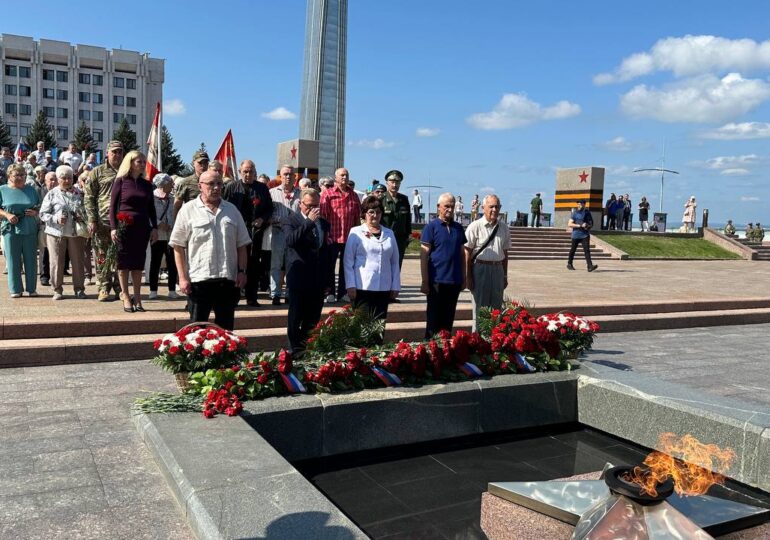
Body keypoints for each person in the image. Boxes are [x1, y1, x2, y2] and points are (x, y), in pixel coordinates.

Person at [170, 170, 250, 331]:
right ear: (200, 186)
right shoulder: (188, 210)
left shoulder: (232, 211)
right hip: (199, 280)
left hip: (227, 280)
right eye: (210, 184)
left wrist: (242, 271)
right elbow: (178, 246)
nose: (216, 187)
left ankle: (226, 357)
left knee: (226, 330)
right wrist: (183, 277)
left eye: (219, 183)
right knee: (196, 330)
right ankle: (197, 357)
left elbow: (242, 245)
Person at [109, 150, 158, 313]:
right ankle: (125, 295)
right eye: (139, 161)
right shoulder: (121, 181)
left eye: (144, 162)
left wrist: (155, 228)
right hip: (124, 227)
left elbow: (151, 208)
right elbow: (112, 207)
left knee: (138, 264)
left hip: (142, 227)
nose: (143, 164)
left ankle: (138, 298)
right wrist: (114, 228)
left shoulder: (147, 184)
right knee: (123, 263)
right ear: (130, 163)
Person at [282, 188, 330, 353]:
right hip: (299, 276)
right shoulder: (291, 220)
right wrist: (308, 222)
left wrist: (328, 280)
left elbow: (325, 253)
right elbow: (290, 241)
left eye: (316, 205)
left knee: (313, 316)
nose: (313, 209)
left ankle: (307, 346)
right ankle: (295, 348)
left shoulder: (323, 223)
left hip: (317, 278)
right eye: (309, 205)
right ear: (300, 203)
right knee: (296, 316)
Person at [344, 196, 400, 331]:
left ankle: (376, 350)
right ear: (364, 213)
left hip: (383, 287)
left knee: (378, 326)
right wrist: (350, 285)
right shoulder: (356, 232)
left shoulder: (389, 233)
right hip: (362, 286)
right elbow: (348, 261)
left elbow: (394, 262)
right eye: (371, 212)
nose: (375, 215)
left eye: (378, 212)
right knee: (361, 326)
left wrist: (395, 285)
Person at [223, 159, 273, 307]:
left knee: (253, 265)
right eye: (245, 171)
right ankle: (234, 297)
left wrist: (262, 219)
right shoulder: (232, 187)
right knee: (235, 263)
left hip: (255, 232)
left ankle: (252, 297)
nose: (248, 174)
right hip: (235, 231)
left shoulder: (262, 188)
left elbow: (269, 208)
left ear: (255, 172)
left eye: (251, 171)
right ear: (240, 172)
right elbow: (224, 206)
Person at [420, 193, 466, 338]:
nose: (450, 209)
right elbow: (424, 256)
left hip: (454, 281)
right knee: (433, 321)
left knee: (448, 321)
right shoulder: (431, 227)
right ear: (438, 207)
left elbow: (462, 254)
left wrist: (464, 278)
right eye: (446, 206)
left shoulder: (458, 228)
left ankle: (445, 352)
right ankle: (430, 351)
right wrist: (425, 281)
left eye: (452, 206)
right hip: (436, 282)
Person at [39, 165, 87, 300]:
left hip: (75, 233)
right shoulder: (52, 193)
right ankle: (57, 289)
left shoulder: (79, 193)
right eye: (63, 178)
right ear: (58, 179)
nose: (67, 181)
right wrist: (55, 218)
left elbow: (87, 211)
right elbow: (42, 214)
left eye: (69, 178)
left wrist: (81, 216)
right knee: (56, 262)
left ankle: (79, 289)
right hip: (55, 233)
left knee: (78, 261)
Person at [85, 140, 124, 301]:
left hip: (123, 222)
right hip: (102, 221)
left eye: (120, 151)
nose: (117, 154)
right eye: (114, 151)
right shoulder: (97, 171)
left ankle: (120, 288)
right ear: (107, 153)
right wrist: (92, 219)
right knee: (102, 255)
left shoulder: (127, 172)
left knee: (120, 256)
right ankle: (103, 287)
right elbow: (89, 197)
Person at [465, 194, 509, 330]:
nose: (494, 210)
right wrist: (468, 276)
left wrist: (505, 276)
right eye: (491, 207)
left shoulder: (504, 228)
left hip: (497, 270)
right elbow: (467, 252)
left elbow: (505, 253)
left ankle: (494, 341)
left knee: (496, 309)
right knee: (480, 309)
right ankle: (478, 343)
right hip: (480, 269)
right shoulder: (475, 226)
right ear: (483, 208)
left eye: (497, 207)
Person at [320, 167, 361, 303]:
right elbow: (323, 217)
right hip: (333, 236)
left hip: (349, 238)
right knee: (329, 266)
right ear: (335, 178)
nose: (344, 177)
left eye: (346, 175)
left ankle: (343, 292)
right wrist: (326, 235)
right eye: (342, 175)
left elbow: (357, 218)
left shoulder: (354, 195)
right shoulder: (328, 194)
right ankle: (330, 292)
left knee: (347, 267)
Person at [0, 163, 40, 297]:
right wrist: (7, 215)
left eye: (23, 175)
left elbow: (39, 206)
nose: (21, 177)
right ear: (9, 176)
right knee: (13, 259)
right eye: (17, 175)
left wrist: (35, 212)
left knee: (31, 259)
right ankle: (15, 289)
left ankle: (31, 288)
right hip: (10, 229)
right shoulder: (2, 189)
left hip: (29, 227)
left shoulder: (31, 189)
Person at [268, 165, 301, 305]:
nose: (288, 176)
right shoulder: (272, 193)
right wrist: (281, 220)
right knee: (276, 263)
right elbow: (268, 213)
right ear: (280, 177)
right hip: (278, 231)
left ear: (295, 177)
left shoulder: (301, 193)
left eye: (291, 174)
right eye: (285, 174)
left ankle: (289, 293)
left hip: (295, 233)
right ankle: (275, 293)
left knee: (292, 264)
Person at [148, 173, 178, 300]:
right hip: (157, 234)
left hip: (171, 235)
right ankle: (153, 290)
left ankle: (172, 290)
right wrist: (159, 224)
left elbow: (175, 213)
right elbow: (148, 214)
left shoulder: (172, 198)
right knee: (155, 262)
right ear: (163, 184)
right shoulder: (151, 197)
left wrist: (172, 224)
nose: (172, 185)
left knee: (172, 262)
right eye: (170, 183)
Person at [379, 169, 412, 270]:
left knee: (397, 267)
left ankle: (395, 286)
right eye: (392, 182)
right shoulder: (381, 199)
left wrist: (408, 235)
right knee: (383, 267)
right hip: (384, 239)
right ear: (387, 183)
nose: (394, 185)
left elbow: (407, 220)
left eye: (397, 182)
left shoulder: (404, 200)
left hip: (400, 240)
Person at [173, 150, 209, 217]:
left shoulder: (214, 182)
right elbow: (177, 206)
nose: (203, 165)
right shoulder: (186, 183)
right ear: (193, 163)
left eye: (205, 163)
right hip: (193, 220)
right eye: (200, 163)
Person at [567, 200, 598, 272]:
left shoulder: (587, 213)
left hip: (585, 235)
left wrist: (587, 225)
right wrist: (579, 225)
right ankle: (569, 264)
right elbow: (569, 224)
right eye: (578, 204)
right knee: (573, 250)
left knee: (587, 250)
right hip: (575, 235)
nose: (579, 205)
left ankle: (590, 266)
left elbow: (591, 223)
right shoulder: (575, 213)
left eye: (580, 204)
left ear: (584, 205)